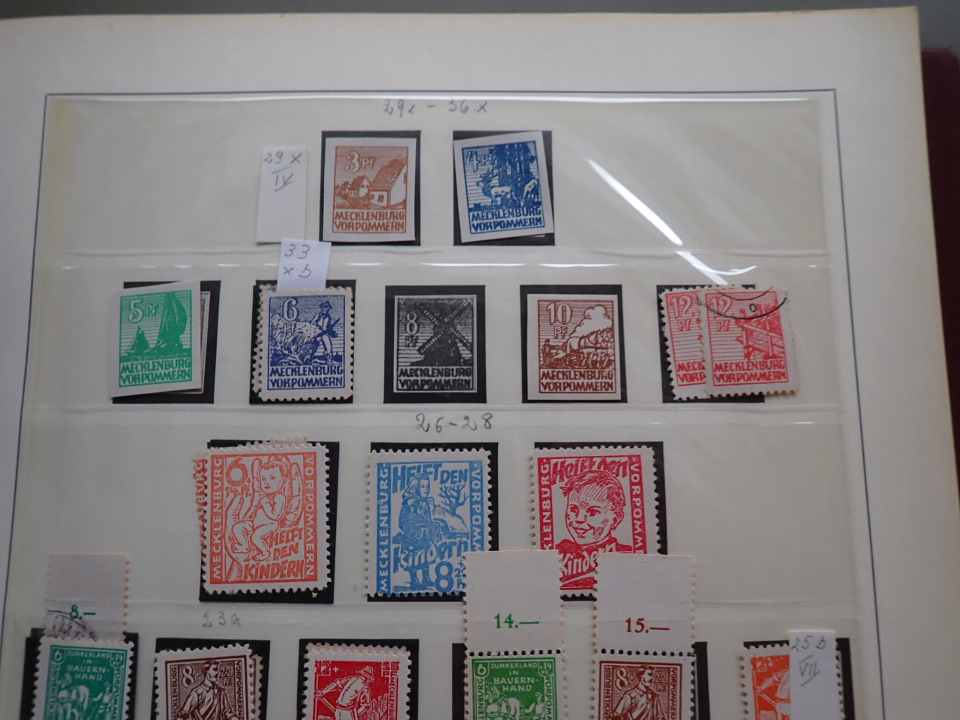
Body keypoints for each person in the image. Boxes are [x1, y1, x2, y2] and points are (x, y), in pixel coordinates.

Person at [556, 468, 631, 589]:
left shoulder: (627, 554)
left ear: (616, 518)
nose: (579, 519)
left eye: (593, 512)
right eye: (573, 509)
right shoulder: (559, 550)